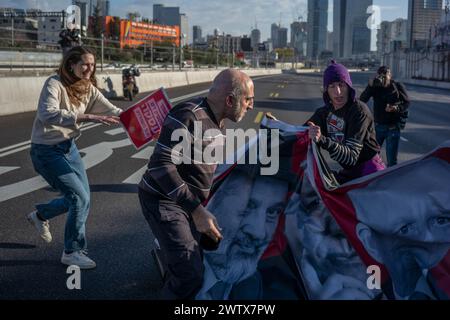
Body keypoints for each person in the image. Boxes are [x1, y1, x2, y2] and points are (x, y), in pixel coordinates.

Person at [138, 68, 255, 299]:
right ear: (230, 100)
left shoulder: (218, 121)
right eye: (248, 99)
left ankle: (168, 257)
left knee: (207, 256)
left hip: (190, 204)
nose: (251, 106)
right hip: (164, 201)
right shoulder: (188, 114)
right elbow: (160, 165)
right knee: (190, 276)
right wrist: (196, 210)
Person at [27, 46, 122, 269]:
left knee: (81, 199)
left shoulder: (88, 87)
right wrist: (86, 116)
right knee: (79, 198)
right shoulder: (54, 83)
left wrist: (146, 115)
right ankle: (72, 251)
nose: (90, 69)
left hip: (69, 147)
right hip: (46, 150)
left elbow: (113, 111)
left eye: (92, 64)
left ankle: (41, 215)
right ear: (71, 65)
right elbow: (46, 113)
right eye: (85, 64)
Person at [349, 157, 450, 299]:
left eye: (440, 221)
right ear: (370, 241)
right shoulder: (359, 289)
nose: (428, 238)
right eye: (405, 229)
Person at [196, 168, 287, 299]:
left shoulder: (252, 284)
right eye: (247, 205)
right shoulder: (178, 263)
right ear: (214, 203)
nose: (258, 233)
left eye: (272, 212)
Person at [305, 60, 385, 184]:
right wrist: (275, 126)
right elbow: (300, 134)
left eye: (341, 85)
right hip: (349, 172)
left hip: (370, 174)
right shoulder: (323, 113)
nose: (338, 92)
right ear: (326, 90)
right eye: (332, 86)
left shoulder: (359, 111)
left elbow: (351, 157)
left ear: (348, 86)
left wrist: (322, 139)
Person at [360, 66, 410, 167]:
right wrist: (370, 86)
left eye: (385, 75)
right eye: (381, 75)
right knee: (372, 158)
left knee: (392, 161)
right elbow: (362, 101)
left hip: (393, 127)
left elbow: (406, 102)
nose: (383, 78)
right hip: (378, 127)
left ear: (390, 75)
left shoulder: (397, 86)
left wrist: (396, 108)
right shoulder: (375, 86)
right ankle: (374, 178)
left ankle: (391, 181)